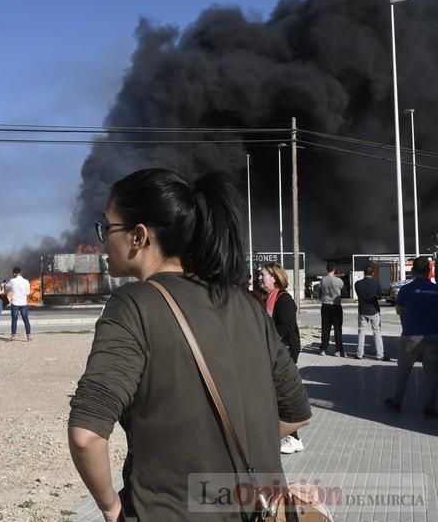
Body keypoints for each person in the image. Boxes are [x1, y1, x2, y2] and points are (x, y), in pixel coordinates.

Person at [68, 168, 311, 521]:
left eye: (107, 227)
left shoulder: (133, 305)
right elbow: (297, 414)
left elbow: (86, 435)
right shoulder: (246, 304)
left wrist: (110, 508)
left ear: (139, 236)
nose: (103, 238)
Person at [384, 256, 438, 417]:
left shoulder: (406, 289)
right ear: (429, 271)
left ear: (413, 271)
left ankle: (397, 402)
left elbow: (399, 310)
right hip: (434, 336)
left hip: (410, 335)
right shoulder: (436, 290)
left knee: (403, 371)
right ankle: (429, 407)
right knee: (433, 373)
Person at [259, 262, 304, 454]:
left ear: (274, 277)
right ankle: (290, 436)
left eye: (263, 275)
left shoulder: (284, 300)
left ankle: (294, 438)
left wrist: (265, 342)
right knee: (276, 396)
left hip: (284, 353)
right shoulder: (269, 298)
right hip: (275, 352)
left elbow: (284, 329)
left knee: (282, 396)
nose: (259, 278)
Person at [354, 265, 388, 361]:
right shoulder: (376, 283)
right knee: (377, 332)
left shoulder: (357, 284)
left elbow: (359, 294)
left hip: (362, 310)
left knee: (361, 332)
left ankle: (359, 354)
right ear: (372, 273)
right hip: (374, 311)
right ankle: (380, 355)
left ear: (364, 273)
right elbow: (380, 296)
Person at [319, 262, 345, 357]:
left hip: (325, 305)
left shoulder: (323, 280)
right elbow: (344, 291)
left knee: (325, 328)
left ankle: (323, 349)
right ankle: (338, 350)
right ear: (334, 270)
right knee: (338, 328)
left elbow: (320, 290)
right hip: (336, 305)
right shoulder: (338, 280)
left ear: (327, 269)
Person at [5, 266, 32, 341]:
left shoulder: (12, 281)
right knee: (26, 320)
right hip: (23, 303)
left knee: (14, 320)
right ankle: (28, 336)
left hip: (15, 302)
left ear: (14, 273)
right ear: (21, 272)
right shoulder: (26, 281)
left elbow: (6, 287)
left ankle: (13, 336)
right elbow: (28, 292)